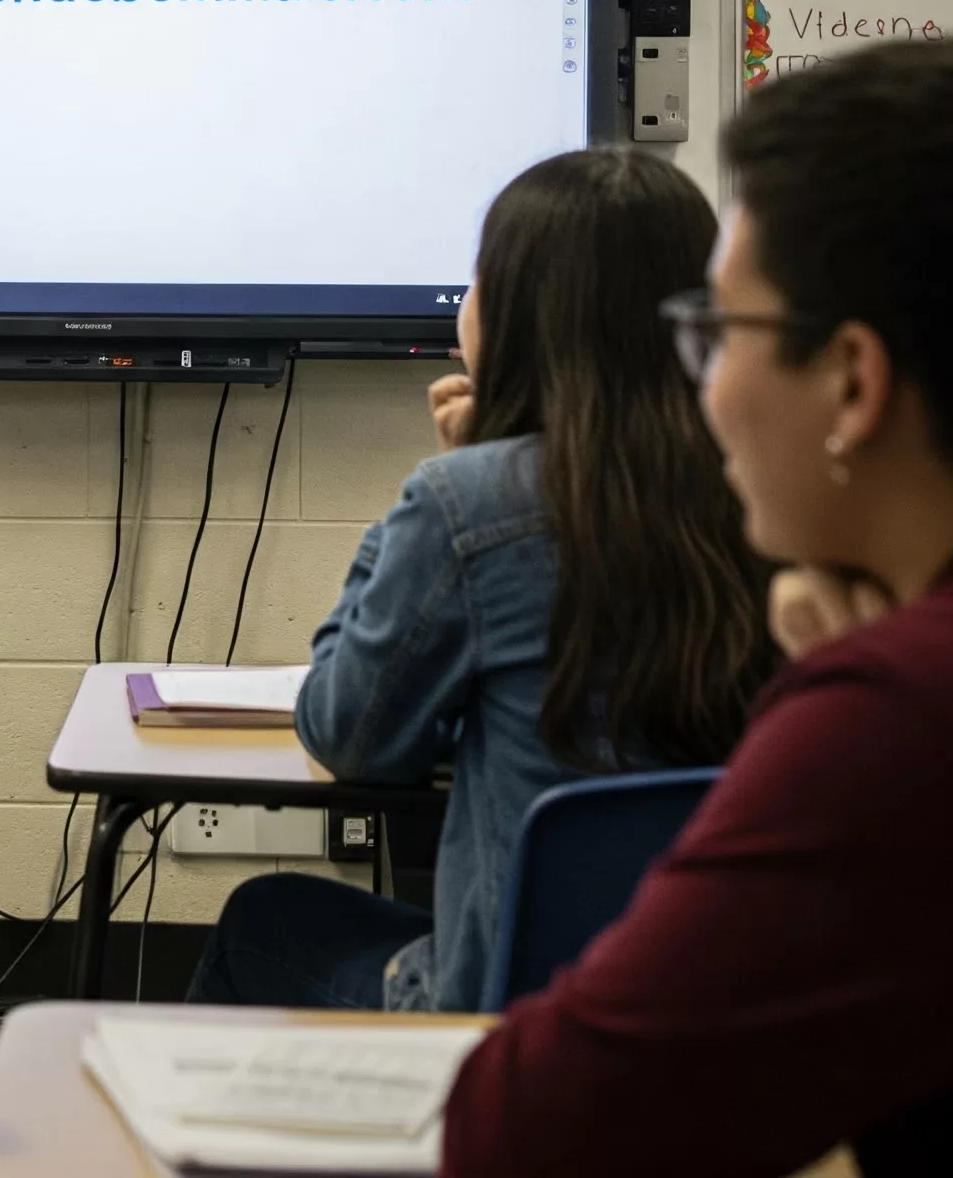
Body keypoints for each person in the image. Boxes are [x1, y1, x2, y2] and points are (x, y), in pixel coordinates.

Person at [442, 40, 953, 1177]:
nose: (701, 384)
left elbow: (526, 1121)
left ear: (850, 377)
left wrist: (842, 712)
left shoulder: (903, 711)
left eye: (717, 332)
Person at [192, 147, 774, 1014]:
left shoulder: (473, 502)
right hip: (721, 1000)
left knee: (265, 917)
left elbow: (346, 733)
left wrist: (442, 486)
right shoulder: (771, 492)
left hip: (512, 1009)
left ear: (514, 313)